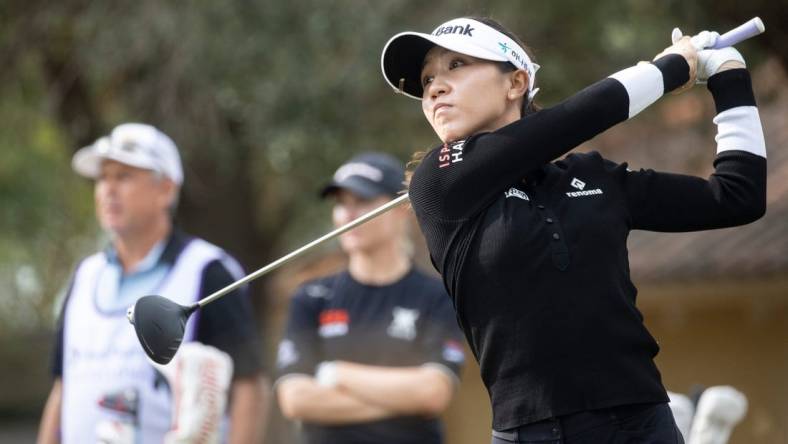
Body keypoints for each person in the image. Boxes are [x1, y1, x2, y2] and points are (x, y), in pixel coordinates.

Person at [380, 16, 766, 443]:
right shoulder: (437, 180)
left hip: (642, 424)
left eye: (455, 66)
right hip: (530, 433)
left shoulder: (593, 177)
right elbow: (578, 118)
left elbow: (736, 197)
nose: (434, 86)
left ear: (516, 82)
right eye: (427, 78)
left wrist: (729, 79)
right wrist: (669, 68)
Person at [37, 123, 269, 444]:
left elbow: (249, 387)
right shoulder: (84, 276)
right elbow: (63, 386)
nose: (108, 189)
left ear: (166, 190)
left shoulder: (208, 270)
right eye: (103, 178)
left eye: (124, 177)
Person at [274, 152, 466, 444]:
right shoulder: (311, 297)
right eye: (341, 203)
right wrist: (401, 401)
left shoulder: (436, 295)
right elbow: (295, 399)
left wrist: (335, 373)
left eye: (362, 201)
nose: (347, 215)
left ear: (401, 208)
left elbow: (432, 393)